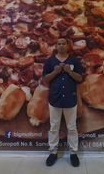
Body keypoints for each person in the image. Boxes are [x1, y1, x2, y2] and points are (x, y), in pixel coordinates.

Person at [42, 37, 83, 167]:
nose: (61, 46)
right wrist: (55, 71)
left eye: (63, 43)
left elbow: (80, 78)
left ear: (67, 45)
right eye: (58, 43)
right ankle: (53, 153)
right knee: (54, 127)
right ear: (56, 46)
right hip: (55, 99)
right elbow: (45, 80)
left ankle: (73, 153)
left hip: (70, 99)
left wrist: (69, 71)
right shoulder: (50, 61)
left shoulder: (74, 61)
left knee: (72, 128)